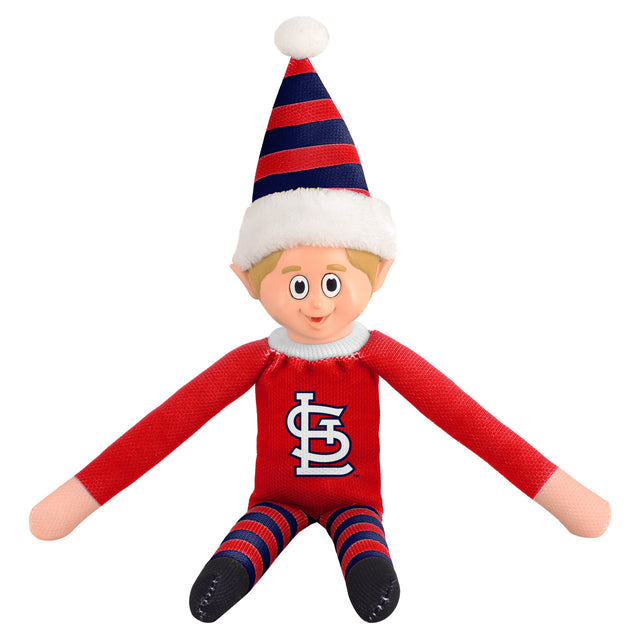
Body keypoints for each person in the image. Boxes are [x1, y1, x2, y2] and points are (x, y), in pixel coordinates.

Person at [29, 17, 610, 624]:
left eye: (333, 281)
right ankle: (240, 560)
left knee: (360, 528)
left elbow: (468, 421)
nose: (315, 302)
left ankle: (363, 555)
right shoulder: (259, 360)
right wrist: (74, 501)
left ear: (379, 274)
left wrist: (563, 497)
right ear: (248, 283)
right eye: (296, 283)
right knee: (261, 523)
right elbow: (167, 425)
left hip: (357, 500)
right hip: (272, 499)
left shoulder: (376, 354)